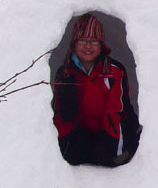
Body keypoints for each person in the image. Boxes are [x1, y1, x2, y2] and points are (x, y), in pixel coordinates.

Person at [53, 13, 141, 167]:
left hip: (108, 130)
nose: (88, 46)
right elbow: (62, 114)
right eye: (82, 40)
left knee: (105, 156)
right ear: (74, 43)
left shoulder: (114, 71)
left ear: (101, 45)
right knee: (73, 155)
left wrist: (117, 148)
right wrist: (62, 144)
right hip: (81, 131)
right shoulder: (66, 72)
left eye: (94, 41)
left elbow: (116, 112)